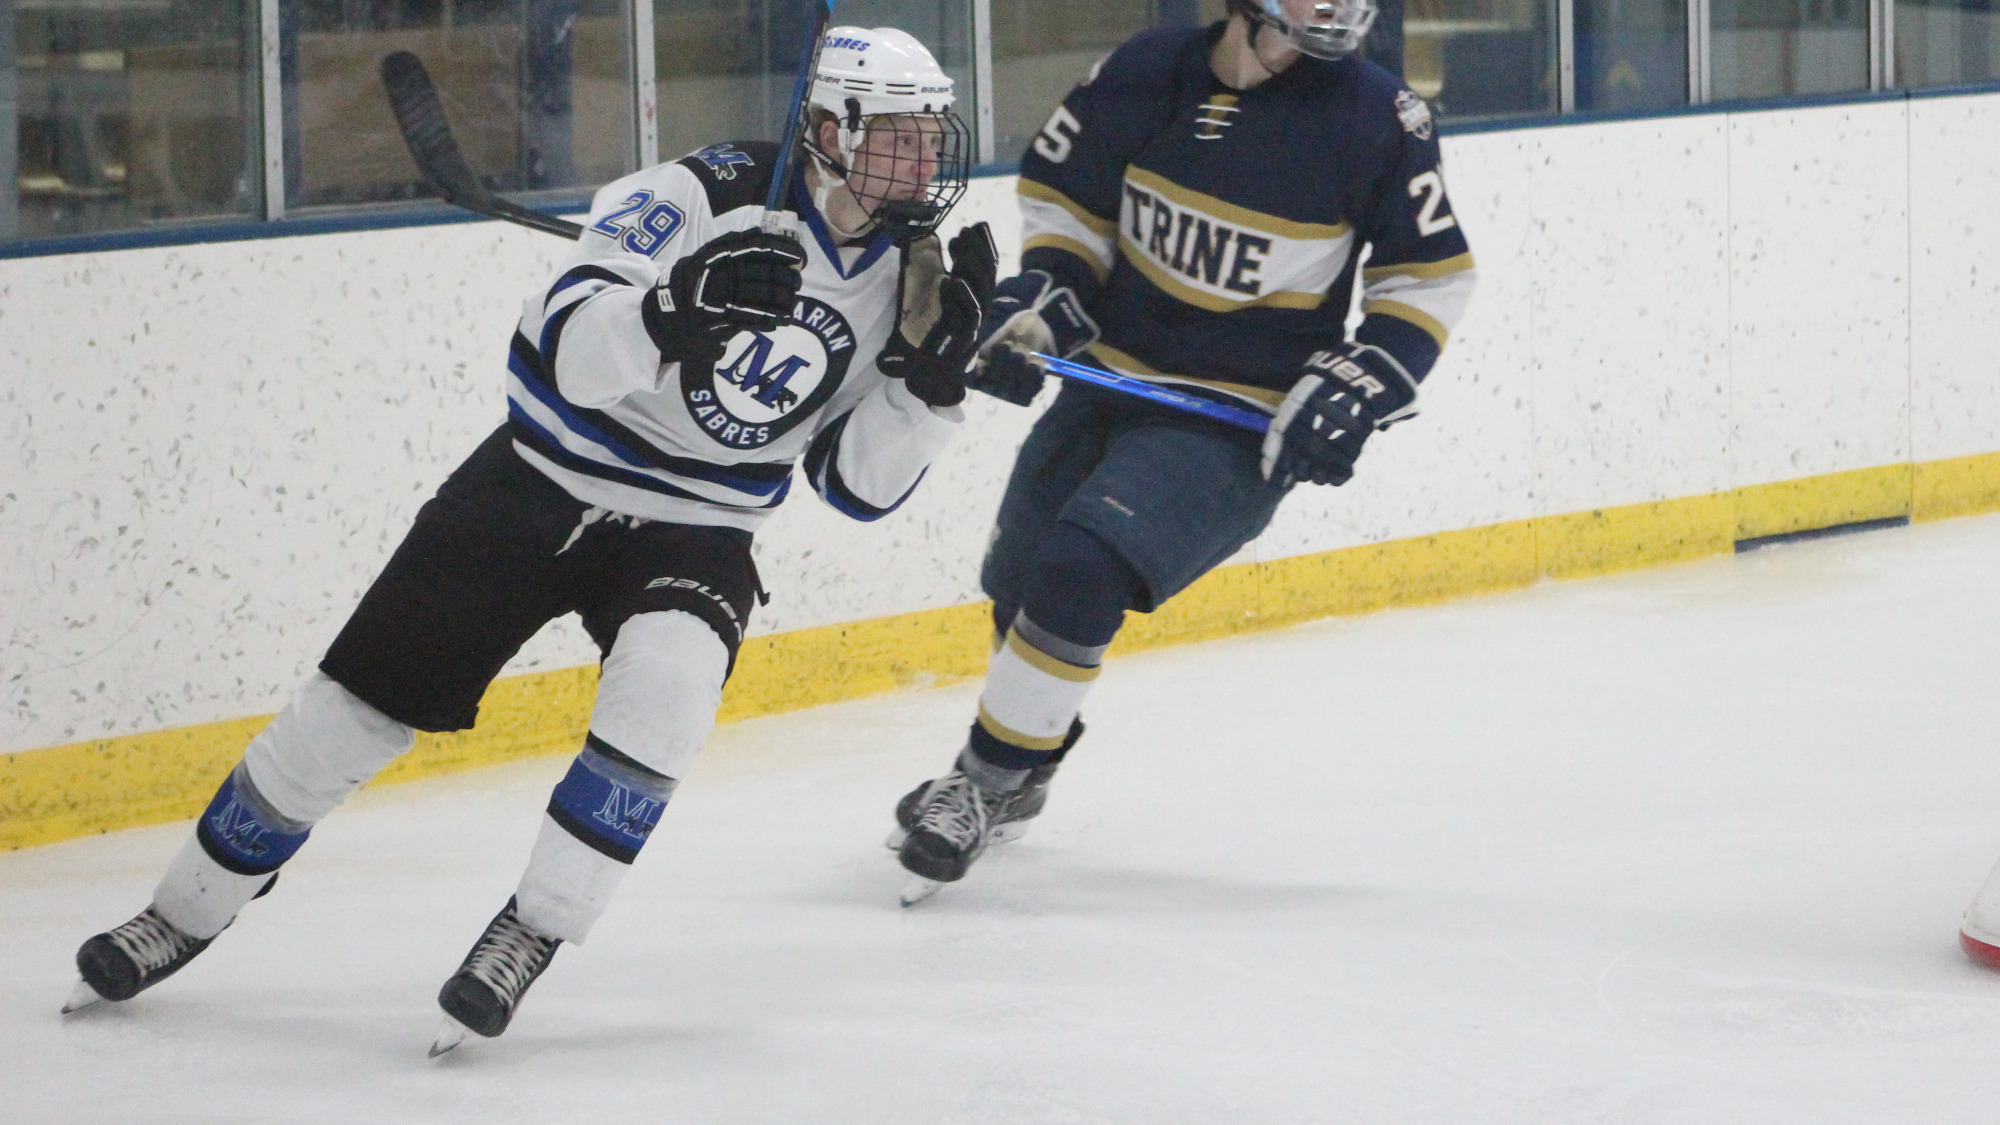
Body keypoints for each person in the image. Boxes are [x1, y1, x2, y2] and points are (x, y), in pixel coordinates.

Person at [64, 26, 996, 1051]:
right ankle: (182, 911)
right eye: (901, 135)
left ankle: (533, 929)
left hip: (701, 525)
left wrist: (930, 387)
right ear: (827, 128)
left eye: (928, 135)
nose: (925, 160)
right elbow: (562, 348)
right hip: (535, 483)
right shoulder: (698, 195)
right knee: (350, 717)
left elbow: (855, 487)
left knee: (669, 694)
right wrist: (671, 309)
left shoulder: (909, 275)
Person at [886, 0, 1478, 899]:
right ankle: (1028, 765)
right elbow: (1071, 210)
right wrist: (1043, 309)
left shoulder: (1379, 118)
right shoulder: (1148, 70)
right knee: (1020, 580)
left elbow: (1426, 280)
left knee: (1081, 571)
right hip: (1110, 382)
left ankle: (980, 781)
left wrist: (1362, 381)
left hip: (1237, 417)